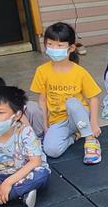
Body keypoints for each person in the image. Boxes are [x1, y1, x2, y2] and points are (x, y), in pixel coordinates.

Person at [30, 22, 103, 164]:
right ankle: (74, 137)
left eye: (59, 45)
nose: (54, 49)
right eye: (50, 44)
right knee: (51, 150)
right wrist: (45, 125)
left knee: (72, 102)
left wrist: (94, 123)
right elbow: (42, 100)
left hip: (79, 116)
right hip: (58, 120)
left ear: (71, 48)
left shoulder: (79, 72)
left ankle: (90, 140)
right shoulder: (42, 71)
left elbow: (93, 98)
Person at [0, 71, 45, 137]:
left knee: (33, 108)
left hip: (26, 135)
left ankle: (40, 136)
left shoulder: (14, 105)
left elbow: (26, 126)